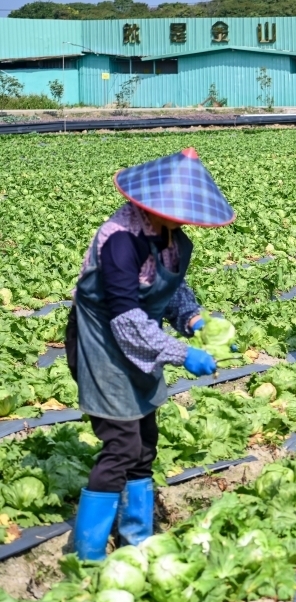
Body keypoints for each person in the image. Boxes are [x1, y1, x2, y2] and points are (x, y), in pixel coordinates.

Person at [64, 148, 235, 561]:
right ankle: (86, 555)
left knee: (144, 441)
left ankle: (135, 538)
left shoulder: (173, 237)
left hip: (140, 344)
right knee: (121, 444)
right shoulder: (120, 240)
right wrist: (182, 353)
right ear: (153, 204)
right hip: (102, 343)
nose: (184, 220)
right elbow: (125, 319)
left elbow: (171, 286)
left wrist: (191, 318)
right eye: (178, 212)